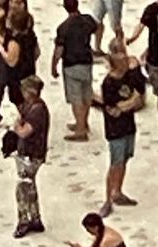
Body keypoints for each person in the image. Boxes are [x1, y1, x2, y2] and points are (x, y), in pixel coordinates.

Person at [98, 42, 146, 218]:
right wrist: (131, 102)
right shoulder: (109, 83)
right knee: (115, 164)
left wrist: (129, 103)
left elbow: (140, 95)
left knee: (124, 159)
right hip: (115, 130)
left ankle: (117, 191)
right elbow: (114, 110)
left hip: (129, 126)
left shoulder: (130, 76)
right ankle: (107, 200)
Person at [52, 0, 96, 142]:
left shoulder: (63, 28)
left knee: (76, 99)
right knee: (86, 94)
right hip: (87, 62)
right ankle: (84, 122)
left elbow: (59, 50)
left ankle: (80, 130)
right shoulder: (88, 20)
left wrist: (53, 66)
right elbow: (97, 27)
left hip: (71, 65)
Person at [11, 75, 49, 237]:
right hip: (29, 153)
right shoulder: (32, 105)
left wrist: (15, 125)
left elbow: (24, 132)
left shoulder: (37, 111)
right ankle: (35, 218)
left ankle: (24, 221)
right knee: (30, 187)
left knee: (22, 189)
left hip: (31, 155)